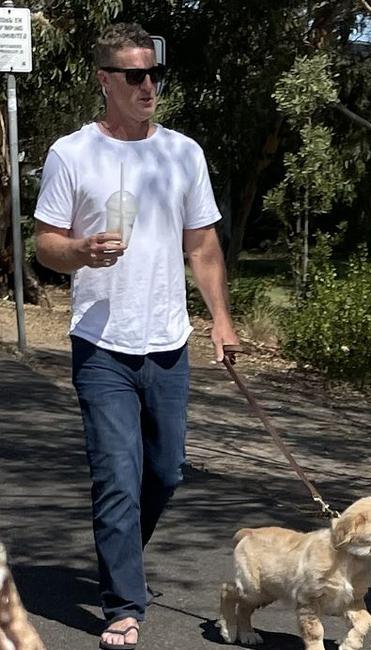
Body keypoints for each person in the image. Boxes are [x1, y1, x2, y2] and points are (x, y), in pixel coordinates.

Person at [34, 23, 239, 649]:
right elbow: (44, 246)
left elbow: (202, 244)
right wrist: (80, 251)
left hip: (168, 342)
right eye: (134, 75)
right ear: (105, 81)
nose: (148, 85)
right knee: (116, 477)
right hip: (101, 343)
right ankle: (125, 601)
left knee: (166, 472)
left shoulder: (183, 153)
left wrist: (222, 321)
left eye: (153, 73)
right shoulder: (74, 153)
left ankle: (117, 550)